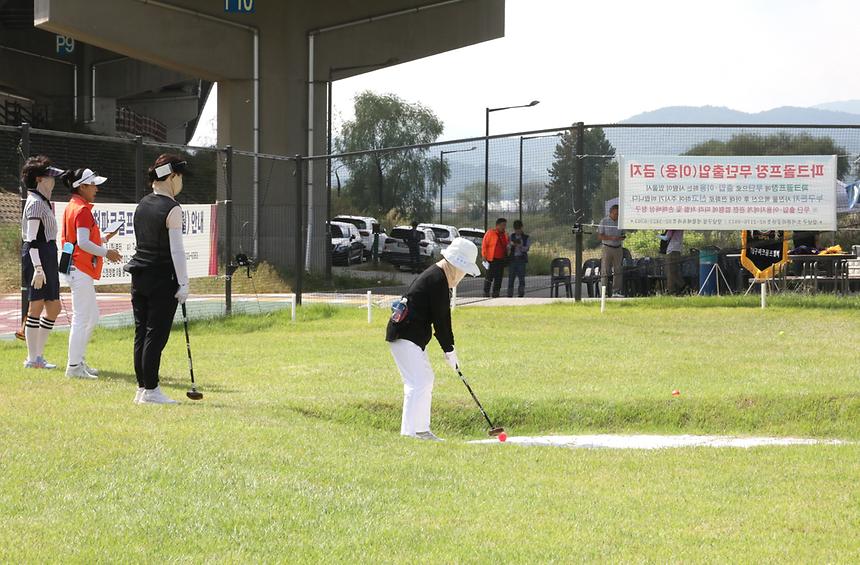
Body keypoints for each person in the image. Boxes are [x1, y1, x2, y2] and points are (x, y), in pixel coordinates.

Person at [386, 237, 481, 440]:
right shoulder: (438, 280)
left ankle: (421, 430)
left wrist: (449, 349)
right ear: (456, 266)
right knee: (418, 382)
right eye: (464, 271)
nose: (462, 276)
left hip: (408, 336)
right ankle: (410, 433)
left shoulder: (437, 277)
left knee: (424, 380)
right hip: (405, 334)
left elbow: (441, 320)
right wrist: (450, 350)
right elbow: (442, 321)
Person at [124, 154, 190, 405]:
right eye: (180, 177)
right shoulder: (173, 208)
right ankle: (151, 391)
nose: (181, 182)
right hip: (162, 278)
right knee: (156, 335)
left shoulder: (142, 203)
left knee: (141, 332)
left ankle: (142, 388)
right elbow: (177, 250)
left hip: (139, 276)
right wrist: (183, 283)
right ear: (172, 176)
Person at [61, 168, 123, 378]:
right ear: (82, 186)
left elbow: (80, 241)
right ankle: (74, 366)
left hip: (75, 267)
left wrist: (105, 238)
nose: (96, 189)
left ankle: (77, 361)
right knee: (82, 318)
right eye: (93, 185)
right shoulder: (82, 210)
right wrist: (107, 252)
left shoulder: (73, 206)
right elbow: (83, 243)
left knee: (91, 317)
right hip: (80, 268)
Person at [20, 156, 65, 369]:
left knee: (53, 307)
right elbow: (31, 240)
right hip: (37, 255)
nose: (53, 181)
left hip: (48, 253)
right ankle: (33, 358)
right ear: (39, 179)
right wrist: (38, 268)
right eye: (49, 177)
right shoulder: (36, 203)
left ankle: (38, 355)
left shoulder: (43, 201)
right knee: (36, 305)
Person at [598, 205, 625, 297]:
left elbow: (623, 234)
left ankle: (616, 291)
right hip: (607, 248)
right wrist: (611, 238)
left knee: (618, 270)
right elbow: (600, 236)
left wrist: (621, 237)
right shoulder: (604, 221)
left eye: (618, 214)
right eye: (615, 214)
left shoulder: (620, 222)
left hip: (618, 248)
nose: (617, 215)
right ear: (610, 213)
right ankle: (604, 292)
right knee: (605, 270)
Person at [481, 217, 509, 298]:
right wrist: (484, 255)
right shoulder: (490, 233)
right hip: (491, 259)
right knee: (489, 277)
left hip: (501, 259)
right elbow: (484, 245)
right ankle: (486, 292)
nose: (504, 227)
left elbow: (506, 246)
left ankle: (496, 292)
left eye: (505, 225)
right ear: (497, 225)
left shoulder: (505, 235)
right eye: (502, 225)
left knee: (499, 277)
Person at [507, 219, 530, 298]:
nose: (517, 231)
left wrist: (520, 246)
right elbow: (507, 246)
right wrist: (511, 245)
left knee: (521, 278)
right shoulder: (511, 236)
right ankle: (509, 295)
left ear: (521, 228)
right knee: (511, 278)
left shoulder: (526, 237)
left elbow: (527, 248)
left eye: (519, 229)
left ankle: (521, 294)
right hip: (513, 259)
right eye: (516, 229)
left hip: (521, 259)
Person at [662, 229, 684, 295]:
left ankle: (672, 290)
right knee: (674, 272)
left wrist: (657, 236)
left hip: (671, 251)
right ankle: (678, 288)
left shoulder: (671, 227)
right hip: (678, 250)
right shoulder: (681, 227)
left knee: (670, 272)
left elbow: (666, 238)